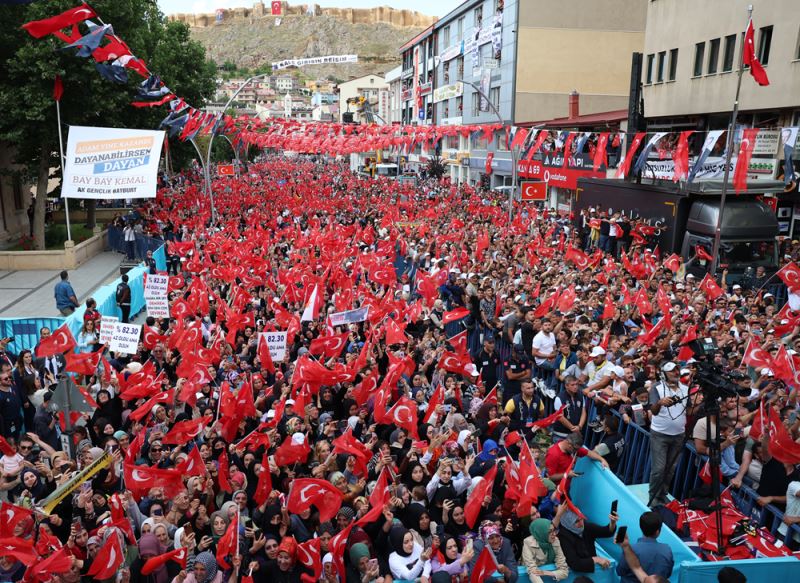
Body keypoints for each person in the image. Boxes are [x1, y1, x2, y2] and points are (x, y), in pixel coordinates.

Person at [648, 362, 693, 507]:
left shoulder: (686, 389)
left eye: (676, 370)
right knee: (659, 469)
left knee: (670, 469)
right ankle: (653, 496)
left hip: (679, 435)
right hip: (659, 434)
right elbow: (653, 411)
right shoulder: (656, 387)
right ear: (664, 374)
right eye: (671, 371)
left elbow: (690, 411)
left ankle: (662, 495)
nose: (675, 373)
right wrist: (660, 402)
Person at [616, 512, 673, 583]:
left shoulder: (631, 550)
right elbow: (668, 573)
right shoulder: (667, 550)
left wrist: (626, 547)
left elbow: (620, 571)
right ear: (658, 531)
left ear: (641, 527)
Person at [556, 508, 616, 574]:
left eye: (581, 518)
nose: (581, 523)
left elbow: (607, 532)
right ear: (568, 523)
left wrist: (612, 523)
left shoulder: (586, 526)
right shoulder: (563, 537)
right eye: (576, 521)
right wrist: (595, 559)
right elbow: (574, 564)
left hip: (592, 568)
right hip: (576, 574)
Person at [521, 514, 569, 583]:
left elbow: (564, 570)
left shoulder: (555, 541)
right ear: (541, 533)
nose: (554, 534)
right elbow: (532, 570)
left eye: (554, 530)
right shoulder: (528, 543)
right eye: (550, 532)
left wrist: (548, 573)